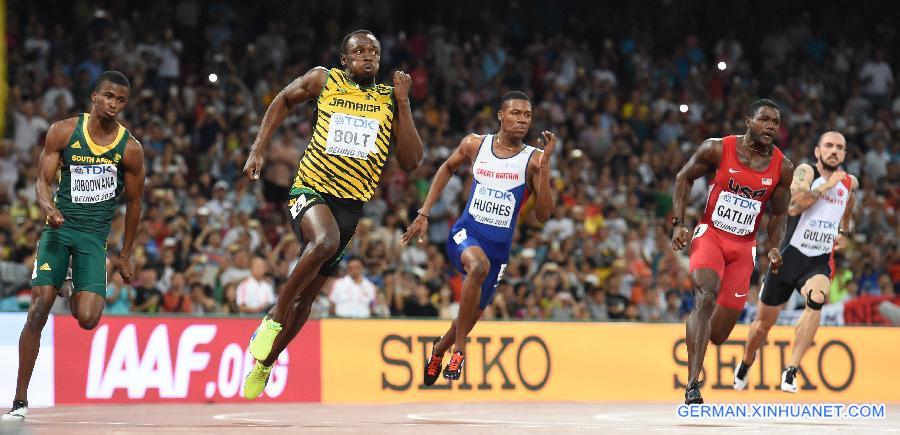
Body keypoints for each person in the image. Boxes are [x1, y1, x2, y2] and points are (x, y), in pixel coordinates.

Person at [240, 29, 424, 399]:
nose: (368, 56)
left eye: (374, 50)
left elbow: (411, 161)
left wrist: (404, 103)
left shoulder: (390, 99)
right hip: (311, 188)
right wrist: (259, 147)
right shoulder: (325, 79)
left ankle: (266, 362)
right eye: (359, 51)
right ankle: (273, 318)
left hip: (351, 204)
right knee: (324, 241)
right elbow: (281, 100)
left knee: (307, 299)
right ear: (345, 59)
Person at [3, 71, 145, 421]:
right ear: (94, 96)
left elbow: (136, 204)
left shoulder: (130, 149)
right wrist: (48, 208)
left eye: (121, 100)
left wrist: (125, 254)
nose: (114, 104)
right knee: (38, 310)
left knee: (88, 319)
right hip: (59, 230)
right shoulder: (64, 131)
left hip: (93, 238)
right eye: (108, 96)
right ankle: (19, 400)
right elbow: (42, 181)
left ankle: (72, 277)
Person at [401, 91, 556, 385]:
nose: (522, 120)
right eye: (515, 113)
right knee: (478, 267)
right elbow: (447, 167)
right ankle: (459, 350)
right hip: (466, 233)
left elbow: (544, 214)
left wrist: (545, 168)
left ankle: (439, 350)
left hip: (500, 251)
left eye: (527, 115)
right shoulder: (475, 144)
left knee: (470, 316)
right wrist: (424, 212)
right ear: (500, 115)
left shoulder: (533, 160)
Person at [671, 99, 792, 404]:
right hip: (711, 235)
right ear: (748, 120)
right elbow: (683, 178)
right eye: (764, 120)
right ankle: (692, 384)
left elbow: (778, 215)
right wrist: (678, 224)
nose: (770, 126)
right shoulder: (717, 149)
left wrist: (775, 247)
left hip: (744, 247)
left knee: (719, 334)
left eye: (775, 123)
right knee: (705, 297)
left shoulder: (783, 167)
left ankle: (697, 335)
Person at [735, 131, 857, 392]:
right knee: (762, 325)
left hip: (818, 261)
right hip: (787, 258)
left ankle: (791, 369)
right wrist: (826, 185)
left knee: (817, 300)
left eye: (839, 148)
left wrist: (844, 232)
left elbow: (848, 205)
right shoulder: (806, 172)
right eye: (828, 146)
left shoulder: (848, 183)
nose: (834, 151)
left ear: (844, 153)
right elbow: (793, 208)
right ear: (818, 151)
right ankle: (746, 362)